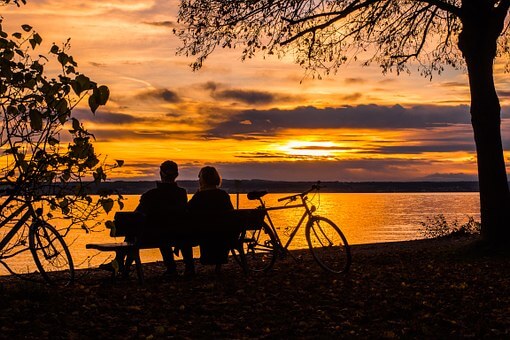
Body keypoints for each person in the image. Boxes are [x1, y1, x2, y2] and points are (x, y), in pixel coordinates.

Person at [101, 160, 194, 277]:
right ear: (176, 175)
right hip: (176, 235)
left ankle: (120, 263)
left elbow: (136, 215)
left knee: (134, 230)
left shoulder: (150, 195)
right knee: (160, 231)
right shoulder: (182, 194)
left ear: (161, 174)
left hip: (152, 236)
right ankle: (171, 268)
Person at [187, 166, 234, 273]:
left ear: (203, 179)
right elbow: (231, 214)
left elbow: (187, 210)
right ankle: (218, 264)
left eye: (199, 177)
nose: (198, 180)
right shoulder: (223, 195)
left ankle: (189, 268)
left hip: (205, 233)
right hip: (224, 234)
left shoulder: (199, 196)